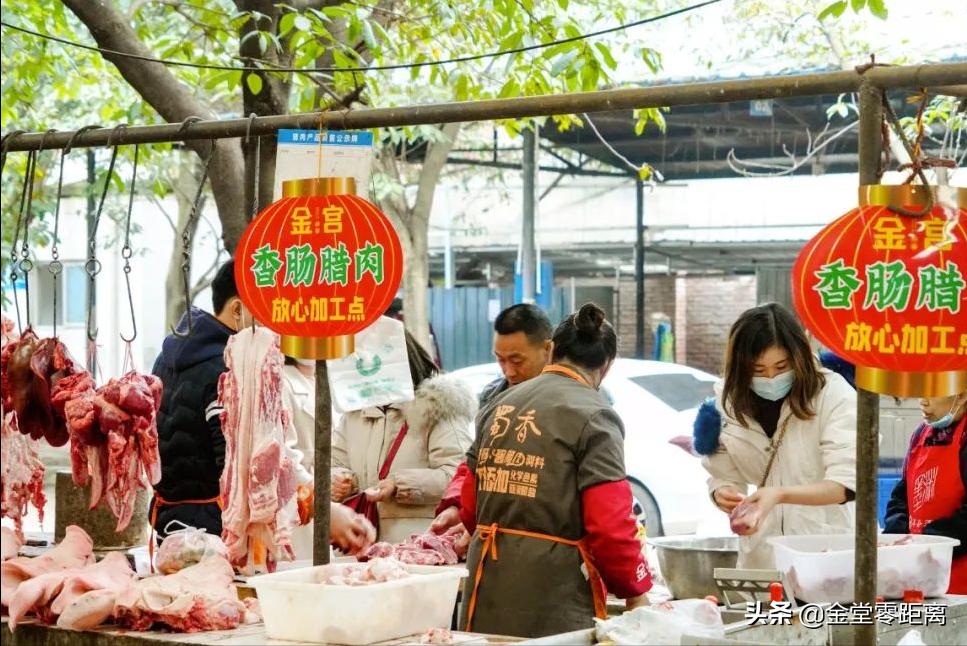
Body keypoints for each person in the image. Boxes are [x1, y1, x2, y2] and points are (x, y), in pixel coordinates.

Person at [152, 260, 376, 556]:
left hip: (171, 529)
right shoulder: (229, 368)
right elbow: (247, 470)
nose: (277, 325)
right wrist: (322, 508)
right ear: (237, 310)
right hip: (218, 539)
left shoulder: (168, 359)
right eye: (269, 312)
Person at [459, 303, 651, 638]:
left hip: (486, 583)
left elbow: (468, 506)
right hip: (553, 596)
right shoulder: (596, 415)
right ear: (606, 366)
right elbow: (609, 526)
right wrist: (636, 593)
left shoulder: (497, 405)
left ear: (552, 351)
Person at [702, 302, 857, 570]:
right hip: (761, 558)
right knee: (767, 600)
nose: (771, 377)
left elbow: (846, 485)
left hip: (826, 554)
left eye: (781, 366)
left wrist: (779, 495)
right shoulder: (726, 402)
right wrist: (722, 492)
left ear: (799, 357)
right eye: (758, 370)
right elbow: (722, 470)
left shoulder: (834, 394)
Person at [330, 330, 475, 544]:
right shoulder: (354, 412)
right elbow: (333, 463)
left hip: (420, 543)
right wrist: (340, 479)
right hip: (362, 542)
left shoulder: (440, 407)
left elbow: (457, 475)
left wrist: (399, 484)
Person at [430, 304, 554, 536]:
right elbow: (476, 461)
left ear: (548, 349)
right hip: (493, 535)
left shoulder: (567, 402)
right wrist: (457, 506)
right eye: (500, 360)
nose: (509, 371)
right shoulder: (493, 396)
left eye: (516, 360)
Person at [883, 391, 967, 594]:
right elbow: (901, 495)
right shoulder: (921, 434)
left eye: (933, 392)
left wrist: (931, 542)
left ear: (962, 395)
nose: (923, 400)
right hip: (919, 573)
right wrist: (899, 536)